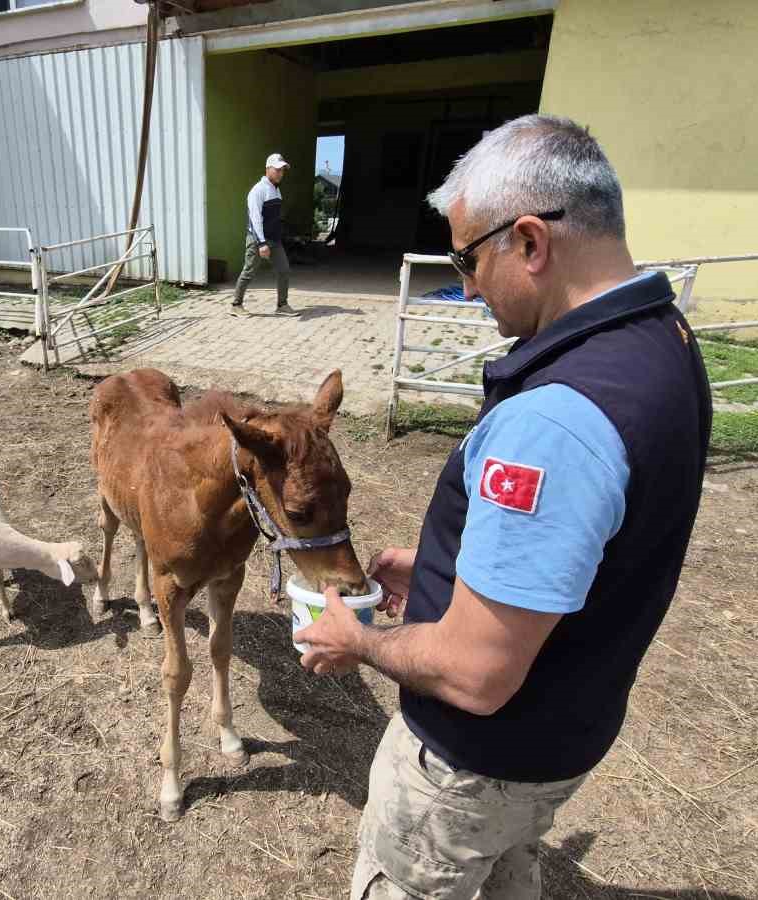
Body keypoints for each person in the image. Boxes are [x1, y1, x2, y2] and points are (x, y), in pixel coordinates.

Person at [294, 115, 712, 899]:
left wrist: (363, 640)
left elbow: (478, 673)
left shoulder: (552, 418)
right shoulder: (661, 342)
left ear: (529, 242)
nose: (467, 283)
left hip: (473, 763)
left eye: (467, 258)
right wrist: (453, 567)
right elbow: (599, 535)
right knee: (507, 870)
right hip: (566, 736)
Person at [231, 152, 299, 317]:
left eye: (282, 170)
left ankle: (282, 305)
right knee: (249, 272)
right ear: (268, 169)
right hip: (258, 239)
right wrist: (261, 243)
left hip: (274, 240)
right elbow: (255, 220)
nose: (280, 173)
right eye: (277, 170)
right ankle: (236, 305)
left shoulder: (276, 190)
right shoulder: (258, 190)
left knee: (284, 270)